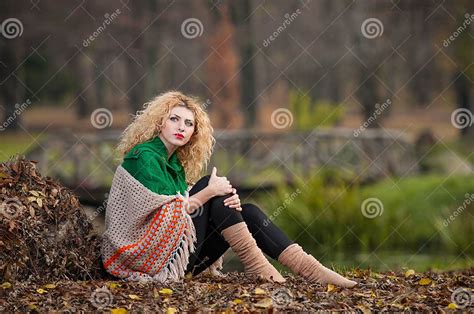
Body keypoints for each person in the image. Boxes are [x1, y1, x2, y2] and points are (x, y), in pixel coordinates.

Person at [100, 91, 356, 287]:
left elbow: (181, 209)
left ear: (193, 133)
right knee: (207, 188)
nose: (181, 127)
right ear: (159, 124)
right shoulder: (144, 156)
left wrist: (220, 197)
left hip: (176, 258)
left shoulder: (173, 163)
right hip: (149, 261)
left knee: (249, 211)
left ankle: (308, 267)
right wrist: (211, 192)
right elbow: (169, 213)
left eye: (189, 124)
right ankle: (261, 268)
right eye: (174, 119)